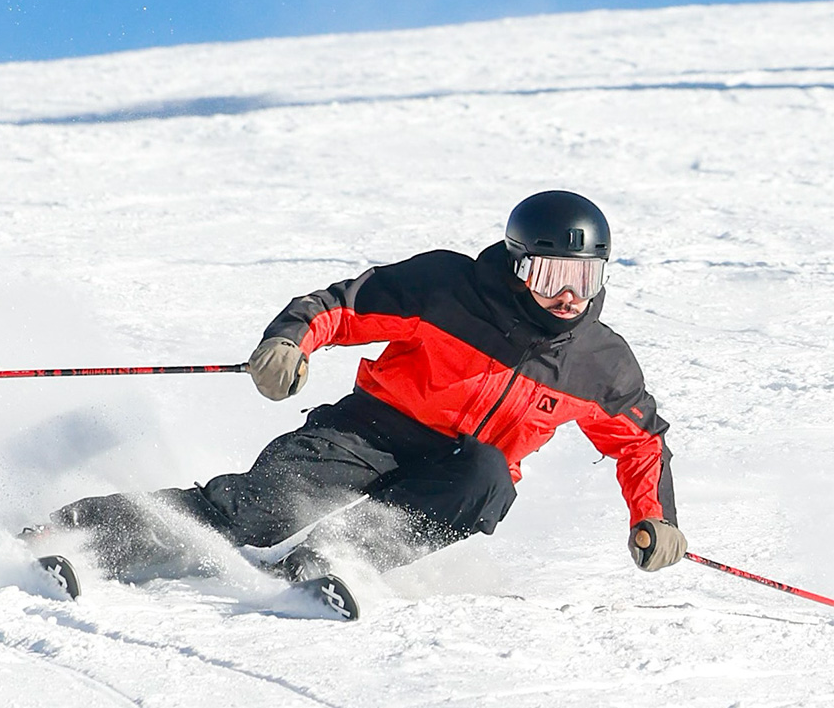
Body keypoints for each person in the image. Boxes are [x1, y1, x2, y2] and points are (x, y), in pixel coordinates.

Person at [45, 190, 686, 583]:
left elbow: (642, 444)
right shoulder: (448, 289)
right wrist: (290, 343)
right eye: (550, 275)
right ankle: (79, 534)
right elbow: (341, 306)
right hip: (369, 432)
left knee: (488, 478)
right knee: (257, 513)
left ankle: (329, 563)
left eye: (585, 276)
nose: (569, 295)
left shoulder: (601, 364)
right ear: (519, 266)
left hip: (457, 470)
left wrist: (654, 519)